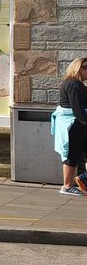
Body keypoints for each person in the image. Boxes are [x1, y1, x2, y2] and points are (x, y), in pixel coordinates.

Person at [51, 57, 87, 196]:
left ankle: (83, 181)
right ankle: (66, 186)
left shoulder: (77, 84)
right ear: (80, 68)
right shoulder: (73, 84)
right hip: (74, 124)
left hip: (77, 123)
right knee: (71, 155)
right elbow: (78, 109)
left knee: (78, 154)